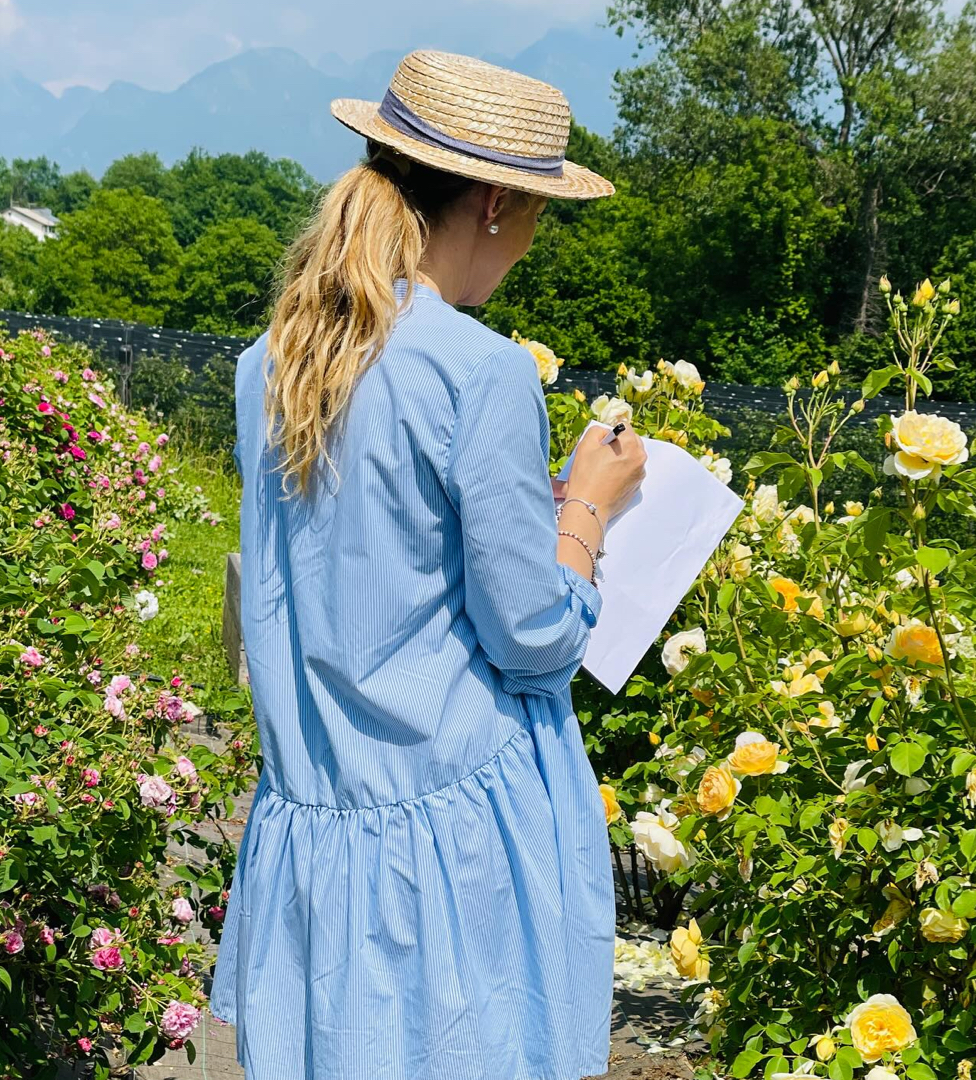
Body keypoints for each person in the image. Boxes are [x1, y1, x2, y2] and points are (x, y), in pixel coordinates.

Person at [207, 48, 647, 1080]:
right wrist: (588, 504)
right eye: (538, 214)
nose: (532, 243)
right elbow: (533, 637)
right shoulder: (477, 370)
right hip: (452, 846)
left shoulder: (268, 362)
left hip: (315, 835)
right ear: (494, 202)